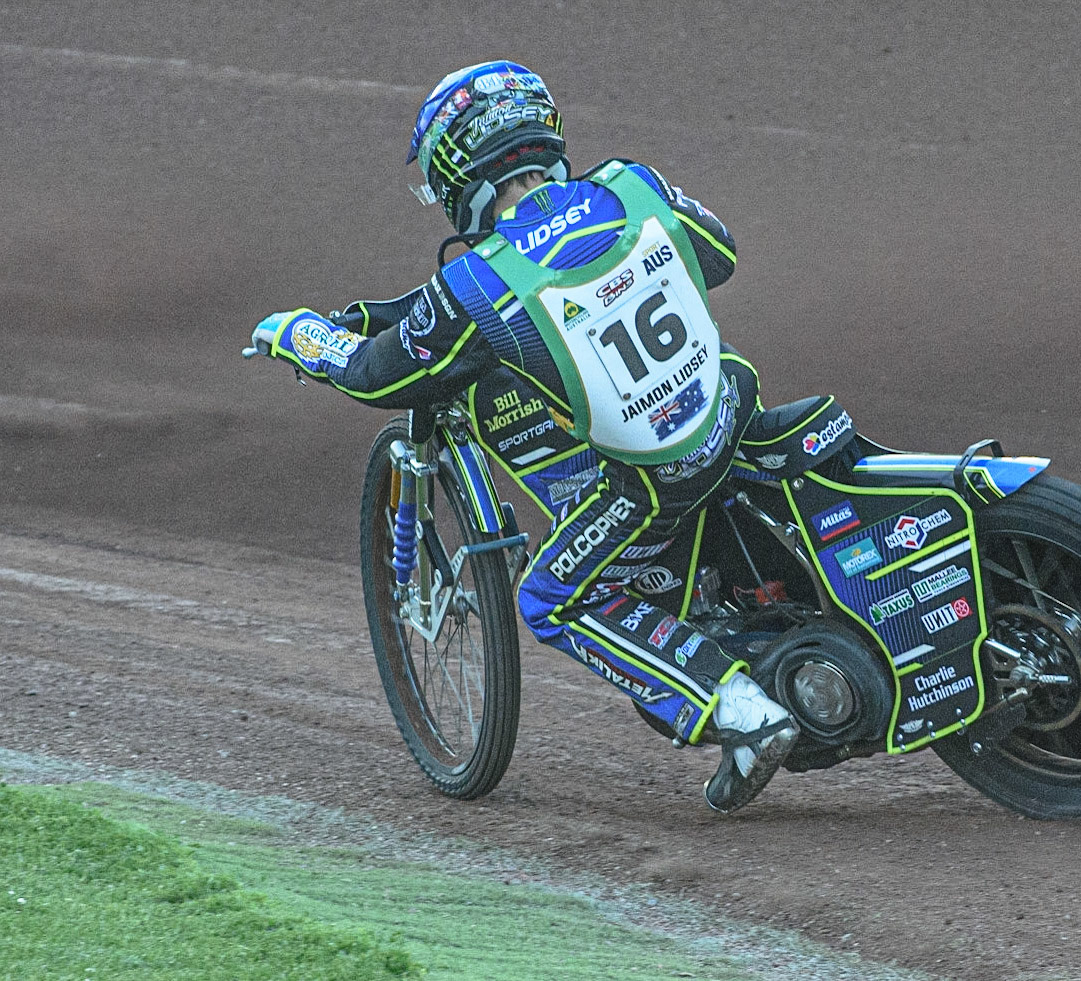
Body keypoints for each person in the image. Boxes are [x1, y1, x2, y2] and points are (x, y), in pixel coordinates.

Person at [249, 61, 797, 813]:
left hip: (653, 482)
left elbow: (376, 376)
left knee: (546, 595)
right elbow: (719, 255)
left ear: (455, 175)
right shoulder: (631, 186)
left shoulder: (479, 284)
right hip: (731, 406)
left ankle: (739, 711)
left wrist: (298, 335)